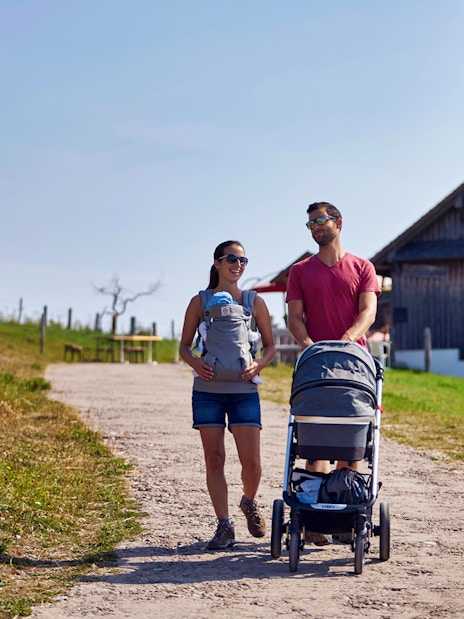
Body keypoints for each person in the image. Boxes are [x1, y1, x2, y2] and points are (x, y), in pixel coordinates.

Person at [286, 201, 381, 545]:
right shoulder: (300, 271)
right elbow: (294, 317)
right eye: (310, 223)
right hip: (316, 368)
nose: (315, 227)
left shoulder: (362, 267)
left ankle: (345, 514)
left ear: (338, 223)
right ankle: (314, 519)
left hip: (354, 368)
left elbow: (368, 312)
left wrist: (346, 341)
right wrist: (310, 345)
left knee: (350, 446)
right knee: (314, 447)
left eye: (321, 221)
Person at [179, 240, 276, 551]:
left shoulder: (254, 302)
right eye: (231, 259)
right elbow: (184, 346)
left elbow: (271, 346)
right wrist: (195, 363)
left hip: (244, 391)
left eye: (243, 260)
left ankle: (248, 501)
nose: (238, 264)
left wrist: (259, 364)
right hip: (207, 391)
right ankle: (224, 526)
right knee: (215, 459)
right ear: (217, 263)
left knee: (252, 462)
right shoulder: (200, 301)